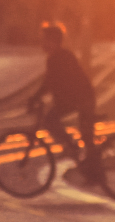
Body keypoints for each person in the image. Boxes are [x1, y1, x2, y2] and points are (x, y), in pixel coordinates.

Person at [28, 20, 101, 178]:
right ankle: (89, 168)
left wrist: (35, 98)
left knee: (82, 135)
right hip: (78, 99)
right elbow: (50, 83)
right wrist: (37, 97)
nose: (42, 44)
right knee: (82, 135)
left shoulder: (58, 58)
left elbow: (51, 83)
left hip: (82, 99)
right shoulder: (58, 57)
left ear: (53, 42)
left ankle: (93, 170)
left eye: (44, 40)